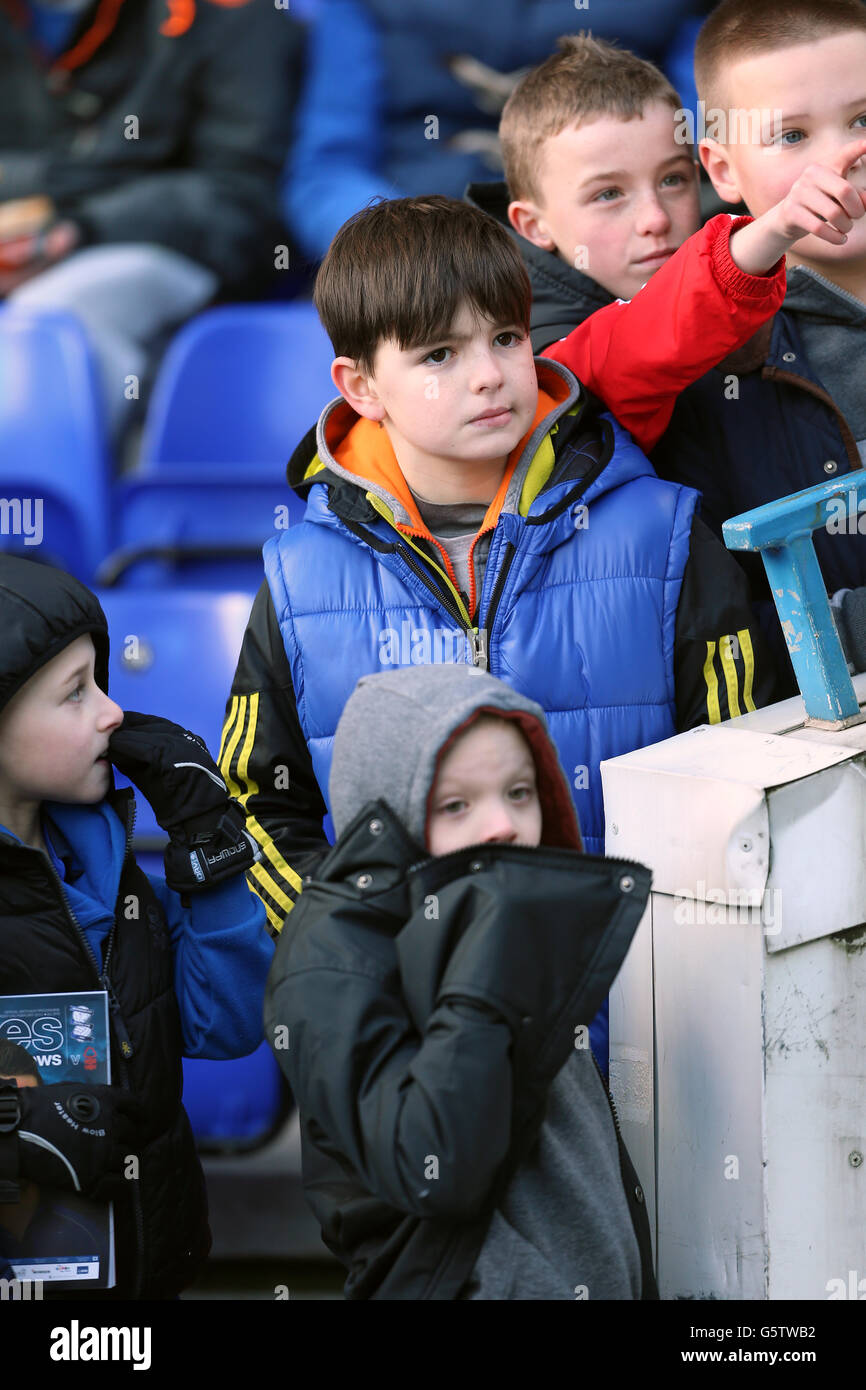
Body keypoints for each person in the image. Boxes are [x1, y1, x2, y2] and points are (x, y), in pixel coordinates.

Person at [219, 189, 827, 1071]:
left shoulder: (657, 530)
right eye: (439, 354)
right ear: (360, 387)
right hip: (414, 1041)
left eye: (506, 337)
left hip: (659, 1020)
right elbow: (259, 799)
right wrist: (354, 955)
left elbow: (736, 767)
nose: (489, 374)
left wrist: (683, 957)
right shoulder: (301, 571)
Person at [264, 663, 656, 1300]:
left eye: (520, 791)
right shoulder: (334, 964)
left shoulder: (506, 917)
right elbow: (434, 1169)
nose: (501, 823)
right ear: (387, 817)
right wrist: (483, 981)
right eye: (457, 804)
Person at [0, 555, 274, 1299]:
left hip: (152, 1260)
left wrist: (209, 839)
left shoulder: (105, 863)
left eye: (101, 682)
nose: (112, 712)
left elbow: (226, 1025)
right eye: (74, 695)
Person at [648, 0, 866, 690]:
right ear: (723, 170)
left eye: (864, 120)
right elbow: (732, 621)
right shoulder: (710, 369)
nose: (839, 158)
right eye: (792, 136)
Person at [0, 0, 305, 443]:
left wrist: (78, 228)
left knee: (55, 321)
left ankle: (49, 506)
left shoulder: (234, 14)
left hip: (164, 248)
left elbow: (244, 201)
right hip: (40, 234)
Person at [284, 1, 712, 263]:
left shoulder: (675, 8)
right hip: (426, 233)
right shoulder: (364, 7)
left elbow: (701, 140)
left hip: (615, 237)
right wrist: (407, 250)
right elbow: (328, 169)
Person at [467, 34, 706, 352]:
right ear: (535, 225)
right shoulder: (537, 352)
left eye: (672, 180)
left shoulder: (736, 254)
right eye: (609, 194)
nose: (656, 219)